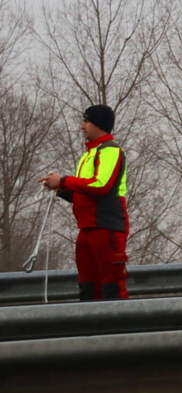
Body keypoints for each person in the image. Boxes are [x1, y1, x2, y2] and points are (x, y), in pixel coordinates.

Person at [38, 105, 129, 301]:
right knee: (88, 287)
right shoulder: (88, 154)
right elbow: (85, 193)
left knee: (111, 285)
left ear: (99, 124)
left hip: (106, 226)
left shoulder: (111, 150)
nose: (82, 126)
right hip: (87, 228)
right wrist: (61, 190)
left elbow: (101, 186)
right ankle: (90, 328)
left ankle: (119, 331)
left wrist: (63, 181)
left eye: (86, 121)